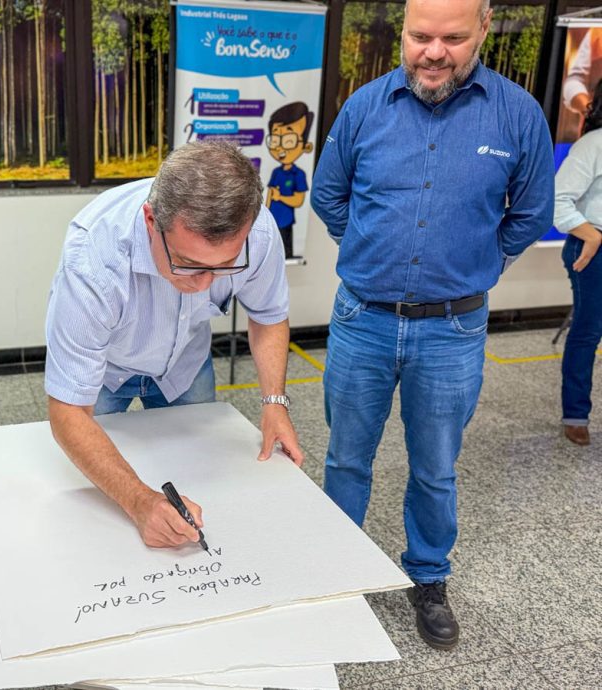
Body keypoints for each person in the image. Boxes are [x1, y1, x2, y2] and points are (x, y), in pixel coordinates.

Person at [311, 0, 554, 651]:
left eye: (452, 36)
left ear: (482, 30)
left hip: (453, 331)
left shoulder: (516, 115)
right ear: (404, 33)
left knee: (436, 466)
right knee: (346, 457)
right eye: (421, 35)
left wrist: (475, 264)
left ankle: (428, 576)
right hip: (362, 320)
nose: (434, 50)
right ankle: (337, 573)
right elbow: (327, 195)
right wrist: (367, 251)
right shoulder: (365, 107)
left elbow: (531, 215)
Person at [45, 141, 303, 549]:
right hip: (106, 372)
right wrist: (140, 501)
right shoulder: (93, 258)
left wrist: (275, 403)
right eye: (189, 263)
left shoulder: (259, 233)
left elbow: (268, 315)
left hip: (185, 364)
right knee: (92, 502)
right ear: (151, 220)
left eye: (224, 268)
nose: (204, 283)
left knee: (200, 472)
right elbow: (68, 410)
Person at [554, 79, 602, 446]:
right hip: (592, 249)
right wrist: (592, 234)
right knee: (587, 331)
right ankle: (576, 414)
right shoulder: (592, 145)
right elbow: (556, 201)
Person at [265, 102, 314, 258]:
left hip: (285, 222)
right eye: (275, 140)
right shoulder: (275, 172)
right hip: (270, 222)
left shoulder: (298, 174)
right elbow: (270, 194)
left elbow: (299, 200)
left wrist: (281, 198)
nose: (280, 147)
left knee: (284, 254)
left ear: (305, 146)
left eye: (288, 140)